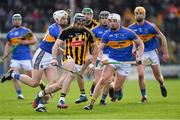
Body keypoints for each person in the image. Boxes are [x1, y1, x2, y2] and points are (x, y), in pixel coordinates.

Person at [1, 10, 68, 112]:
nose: (65, 20)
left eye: (66, 18)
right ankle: (13, 74)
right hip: (41, 56)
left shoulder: (59, 28)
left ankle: (40, 104)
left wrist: (64, 52)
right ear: (57, 19)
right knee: (34, 83)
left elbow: (55, 47)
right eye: (63, 18)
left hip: (51, 57)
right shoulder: (54, 29)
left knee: (54, 84)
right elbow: (60, 43)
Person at [33, 13, 98, 111]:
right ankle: (61, 100)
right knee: (70, 74)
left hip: (80, 62)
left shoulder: (88, 33)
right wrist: (54, 58)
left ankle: (40, 94)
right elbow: (55, 46)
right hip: (68, 57)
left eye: (82, 24)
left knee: (59, 85)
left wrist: (93, 63)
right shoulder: (66, 31)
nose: (80, 26)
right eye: (78, 23)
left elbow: (96, 48)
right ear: (75, 22)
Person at [84, 13, 144, 110]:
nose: (112, 23)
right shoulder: (107, 34)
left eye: (114, 21)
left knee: (116, 87)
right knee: (103, 79)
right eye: (110, 21)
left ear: (119, 22)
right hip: (112, 60)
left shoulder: (128, 32)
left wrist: (139, 57)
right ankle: (91, 103)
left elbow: (140, 44)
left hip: (125, 63)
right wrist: (102, 58)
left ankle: (118, 89)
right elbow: (100, 49)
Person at [128, 6, 169, 102]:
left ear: (144, 15)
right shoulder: (131, 28)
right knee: (140, 75)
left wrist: (165, 53)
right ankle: (144, 96)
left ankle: (162, 84)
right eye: (137, 13)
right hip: (141, 53)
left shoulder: (151, 26)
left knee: (158, 77)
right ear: (134, 15)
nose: (139, 15)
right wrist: (133, 49)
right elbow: (131, 42)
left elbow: (163, 37)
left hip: (152, 52)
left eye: (141, 13)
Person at [2, 14, 37, 99]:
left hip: (26, 58)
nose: (17, 21)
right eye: (15, 19)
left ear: (21, 21)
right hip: (15, 58)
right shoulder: (10, 33)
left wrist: (25, 42)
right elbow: (8, 43)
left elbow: (34, 40)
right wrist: (6, 53)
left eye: (18, 19)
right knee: (14, 75)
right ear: (12, 21)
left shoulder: (25, 31)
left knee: (32, 78)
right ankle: (19, 94)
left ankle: (42, 90)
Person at [90, 11, 111, 105]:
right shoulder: (94, 31)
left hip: (111, 56)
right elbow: (89, 45)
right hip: (99, 56)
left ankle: (102, 100)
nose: (104, 20)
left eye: (106, 18)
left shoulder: (113, 29)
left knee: (108, 81)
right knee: (100, 81)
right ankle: (94, 86)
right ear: (99, 19)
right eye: (102, 18)